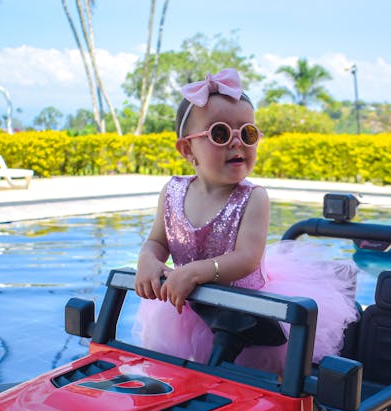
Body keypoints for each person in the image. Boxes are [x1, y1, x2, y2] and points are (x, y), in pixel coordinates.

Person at [133, 68, 358, 372]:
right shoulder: (172, 192)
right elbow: (157, 241)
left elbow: (247, 258)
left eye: (248, 133)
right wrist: (148, 258)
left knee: (250, 384)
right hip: (188, 309)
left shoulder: (253, 198)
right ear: (188, 149)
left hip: (247, 315)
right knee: (177, 375)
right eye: (220, 133)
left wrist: (195, 272)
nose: (237, 143)